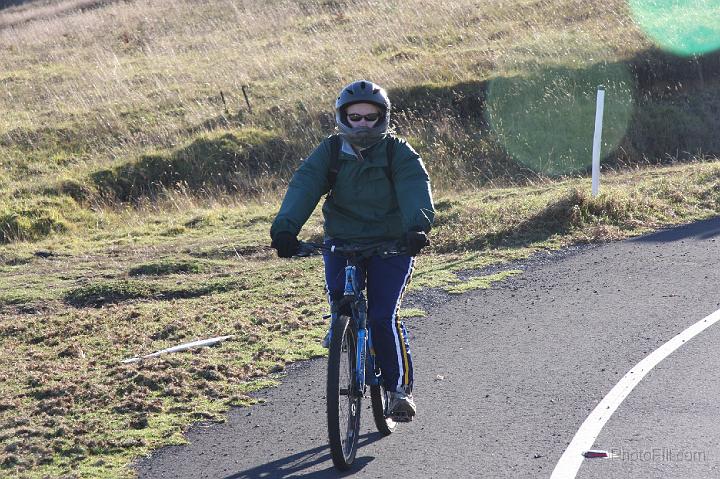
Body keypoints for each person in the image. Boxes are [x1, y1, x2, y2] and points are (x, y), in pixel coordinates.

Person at [270, 80, 434, 419]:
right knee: (340, 301)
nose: (362, 124)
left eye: (371, 117)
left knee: (381, 316)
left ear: (383, 118)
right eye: (355, 116)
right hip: (342, 241)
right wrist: (286, 230)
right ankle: (342, 327)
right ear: (343, 116)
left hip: (392, 244)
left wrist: (417, 227)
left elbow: (414, 186)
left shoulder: (397, 151)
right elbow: (304, 185)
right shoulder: (330, 152)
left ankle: (398, 391)